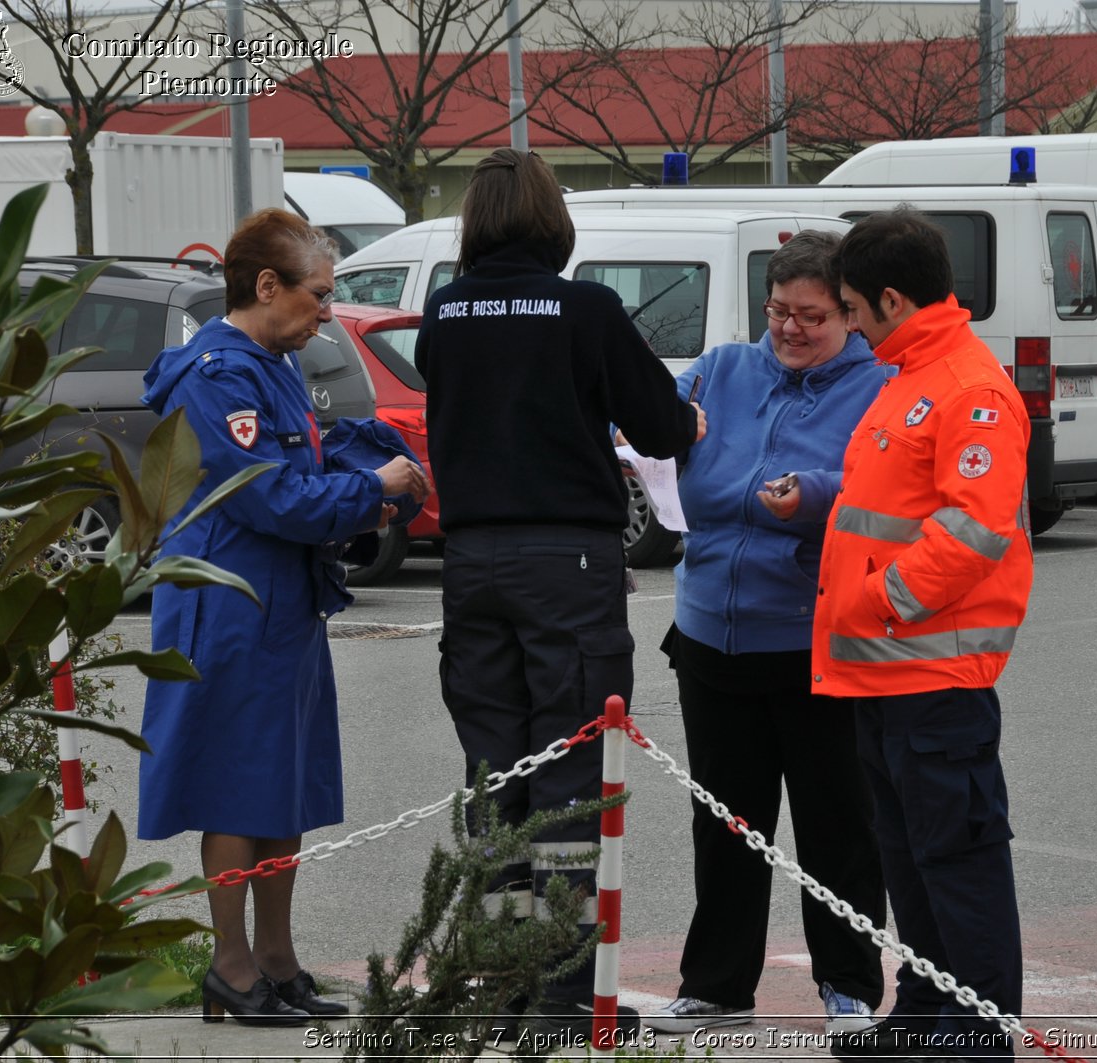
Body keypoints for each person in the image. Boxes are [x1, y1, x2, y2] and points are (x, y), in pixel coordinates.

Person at [414, 148, 704, 1036]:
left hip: (470, 564)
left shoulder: (444, 312)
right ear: (553, 222)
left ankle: (502, 974)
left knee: (495, 768)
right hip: (566, 563)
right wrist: (688, 418)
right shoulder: (585, 308)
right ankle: (564, 983)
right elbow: (658, 423)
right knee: (571, 767)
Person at [139, 208, 431, 1026]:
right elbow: (269, 495)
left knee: (282, 791)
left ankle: (276, 961)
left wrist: (369, 455)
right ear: (266, 287)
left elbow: (305, 454)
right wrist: (376, 489)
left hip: (278, 607)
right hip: (229, 608)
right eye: (319, 295)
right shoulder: (218, 374)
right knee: (236, 793)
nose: (329, 312)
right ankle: (232, 969)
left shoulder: (268, 359)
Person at [641, 231, 890, 1037]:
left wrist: (815, 493)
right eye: (778, 311)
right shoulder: (722, 370)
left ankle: (849, 983)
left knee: (837, 825)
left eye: (811, 316)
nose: (789, 329)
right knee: (725, 821)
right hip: (711, 633)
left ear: (849, 315)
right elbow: (661, 432)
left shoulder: (879, 386)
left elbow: (886, 484)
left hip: (816, 640)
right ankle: (716, 985)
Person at [816, 208, 1033, 1062]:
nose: (850, 323)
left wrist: (876, 602)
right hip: (885, 677)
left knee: (959, 865)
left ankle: (978, 1035)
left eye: (854, 307)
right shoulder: (909, 372)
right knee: (910, 864)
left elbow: (975, 531)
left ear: (893, 298)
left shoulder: (966, 386)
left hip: (932, 678)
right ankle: (924, 1010)